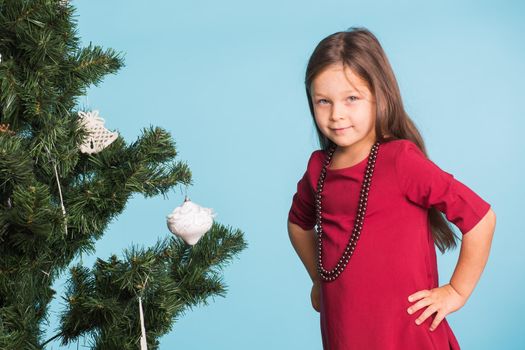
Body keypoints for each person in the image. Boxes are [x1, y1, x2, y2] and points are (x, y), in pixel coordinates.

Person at [287, 27, 497, 350]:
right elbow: (298, 224)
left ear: (379, 95)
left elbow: (481, 218)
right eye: (323, 101)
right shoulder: (319, 168)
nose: (336, 114)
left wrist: (455, 291)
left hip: (409, 338)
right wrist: (319, 278)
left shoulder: (400, 161)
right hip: (346, 336)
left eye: (351, 98)